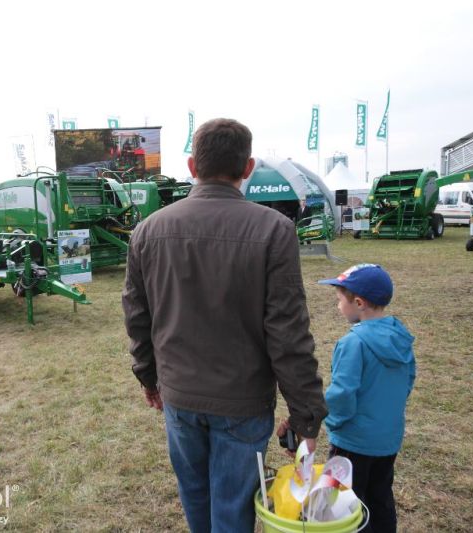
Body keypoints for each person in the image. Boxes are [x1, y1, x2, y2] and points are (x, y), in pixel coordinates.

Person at [122, 118, 327, 532]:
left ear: (192, 165)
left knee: (196, 496)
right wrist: (305, 411)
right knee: (231, 508)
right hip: (241, 401)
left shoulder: (147, 231)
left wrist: (148, 378)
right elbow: (288, 332)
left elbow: (136, 317)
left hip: (180, 395)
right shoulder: (274, 229)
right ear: (248, 168)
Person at [313, 264, 415, 533]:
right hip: (387, 440)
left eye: (339, 300)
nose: (338, 307)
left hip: (352, 443)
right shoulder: (401, 338)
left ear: (358, 302)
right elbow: (408, 380)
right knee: (380, 498)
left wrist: (333, 422)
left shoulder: (352, 343)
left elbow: (342, 393)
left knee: (344, 505)